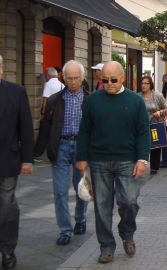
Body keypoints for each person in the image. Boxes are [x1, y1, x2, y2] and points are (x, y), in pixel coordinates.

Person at [75, 61, 150, 264]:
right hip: (99, 161)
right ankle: (106, 246)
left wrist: (142, 159)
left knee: (129, 202)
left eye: (113, 79)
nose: (108, 83)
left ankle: (127, 233)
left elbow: (143, 132)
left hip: (127, 160)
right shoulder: (93, 100)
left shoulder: (135, 101)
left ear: (123, 78)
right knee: (102, 207)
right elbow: (84, 131)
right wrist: (81, 157)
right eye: (104, 80)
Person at [34, 60, 90, 246]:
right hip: (61, 147)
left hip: (81, 147)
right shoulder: (54, 100)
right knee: (59, 191)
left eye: (76, 78)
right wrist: (37, 151)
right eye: (69, 78)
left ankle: (80, 219)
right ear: (63, 78)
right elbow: (46, 126)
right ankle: (65, 229)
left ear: (82, 78)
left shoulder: (90, 100)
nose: (73, 82)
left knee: (81, 187)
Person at [0, 54, 34, 270]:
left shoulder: (16, 91)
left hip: (7, 160)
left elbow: (26, 127)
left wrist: (27, 159)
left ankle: (8, 250)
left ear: (2, 69)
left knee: (7, 206)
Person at [139, 76, 167, 175]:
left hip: (155, 125)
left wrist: (159, 112)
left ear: (150, 84)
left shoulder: (157, 95)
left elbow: (166, 108)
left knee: (155, 147)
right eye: (142, 83)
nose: (143, 85)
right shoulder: (138, 96)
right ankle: (140, 164)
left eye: (146, 83)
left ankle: (154, 167)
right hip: (142, 126)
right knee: (143, 146)